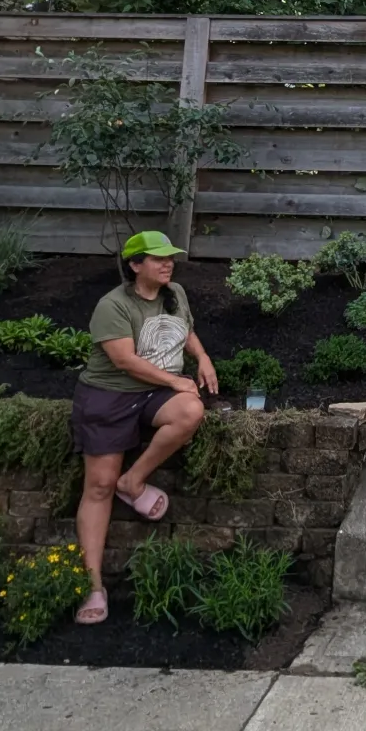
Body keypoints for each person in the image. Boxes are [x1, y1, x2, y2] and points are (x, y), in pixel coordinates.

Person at [70, 230, 218, 624]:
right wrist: (175, 380)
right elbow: (125, 362)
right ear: (136, 265)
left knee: (190, 411)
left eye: (170, 257)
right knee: (98, 485)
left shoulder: (176, 293)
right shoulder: (113, 305)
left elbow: (183, 329)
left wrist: (201, 357)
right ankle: (94, 586)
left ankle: (132, 482)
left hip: (153, 394)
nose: (167, 263)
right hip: (109, 395)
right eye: (157, 258)